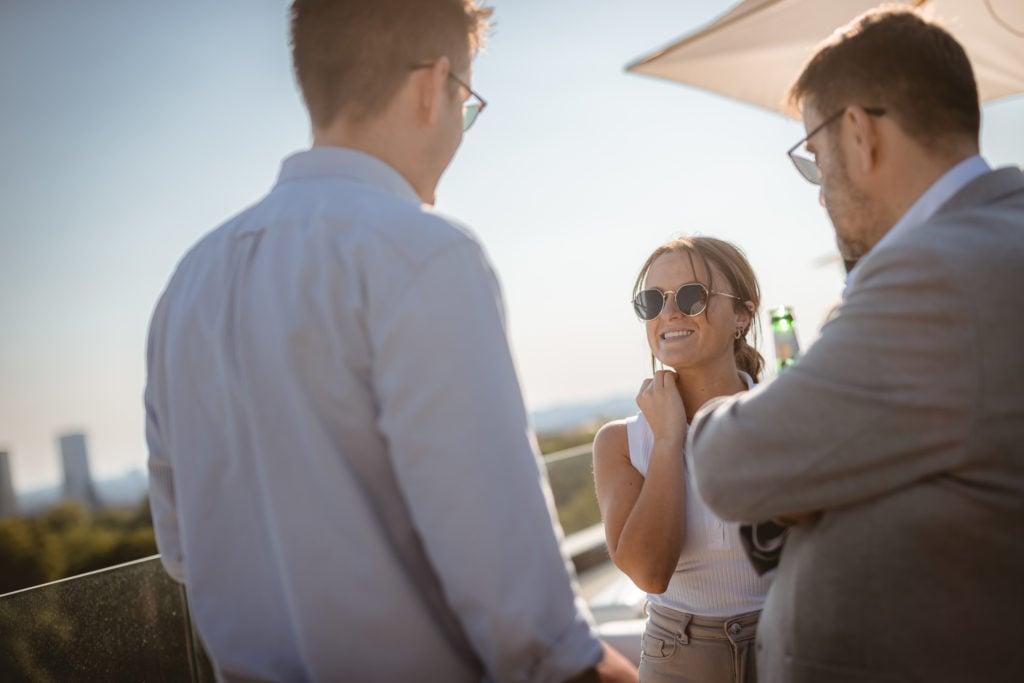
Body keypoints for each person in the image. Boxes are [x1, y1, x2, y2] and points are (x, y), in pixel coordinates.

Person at [144, 1, 637, 681]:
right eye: (468, 103)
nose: (462, 127)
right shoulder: (423, 256)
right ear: (434, 87)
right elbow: (530, 629)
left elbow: (182, 552)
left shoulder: (186, 287)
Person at [687, 8, 1024, 683]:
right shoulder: (999, 236)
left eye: (815, 159)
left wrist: (718, 422)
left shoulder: (935, 271)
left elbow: (729, 464)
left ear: (860, 134)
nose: (821, 197)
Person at [593, 236, 773, 682]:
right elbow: (650, 573)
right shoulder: (619, 443)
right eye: (653, 301)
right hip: (678, 660)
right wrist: (668, 439)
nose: (670, 313)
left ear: (742, 315)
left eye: (693, 296)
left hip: (790, 644)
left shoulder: (788, 416)